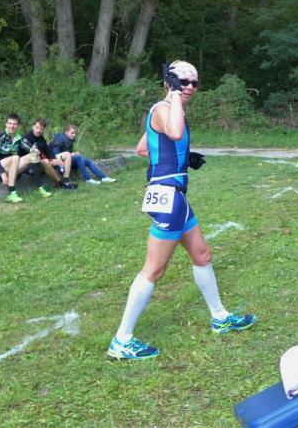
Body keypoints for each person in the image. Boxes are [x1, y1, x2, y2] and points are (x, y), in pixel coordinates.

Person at [107, 60, 255, 361]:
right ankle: (121, 339)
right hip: (167, 198)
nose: (188, 87)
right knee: (154, 269)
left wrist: (182, 159)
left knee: (202, 254)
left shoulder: (169, 110)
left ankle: (219, 316)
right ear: (169, 82)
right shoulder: (165, 108)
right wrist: (173, 96)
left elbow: (144, 148)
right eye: (182, 82)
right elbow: (173, 133)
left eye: (193, 83)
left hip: (176, 197)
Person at [0, 113, 46, 202]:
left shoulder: (19, 137)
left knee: (34, 154)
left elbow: (30, 147)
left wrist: (35, 150)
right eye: (10, 123)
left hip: (12, 169)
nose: (12, 126)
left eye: (15, 124)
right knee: (15, 157)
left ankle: (40, 188)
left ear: (18, 125)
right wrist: (2, 173)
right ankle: (11, 193)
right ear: (6, 124)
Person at [50, 124, 116, 185]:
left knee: (88, 161)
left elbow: (68, 153)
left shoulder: (70, 139)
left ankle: (103, 178)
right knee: (78, 157)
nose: (74, 135)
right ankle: (88, 179)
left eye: (75, 133)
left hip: (69, 161)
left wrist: (74, 153)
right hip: (60, 164)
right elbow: (56, 156)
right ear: (66, 132)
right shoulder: (59, 139)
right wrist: (71, 154)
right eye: (72, 133)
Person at [19, 118, 73, 192]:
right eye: (37, 127)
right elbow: (32, 151)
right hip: (28, 165)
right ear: (33, 127)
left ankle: (66, 180)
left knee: (67, 154)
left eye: (41, 129)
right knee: (46, 162)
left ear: (44, 130)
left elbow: (48, 151)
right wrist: (47, 159)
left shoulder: (41, 139)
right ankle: (61, 183)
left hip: (40, 161)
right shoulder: (26, 137)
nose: (39, 130)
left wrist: (53, 159)